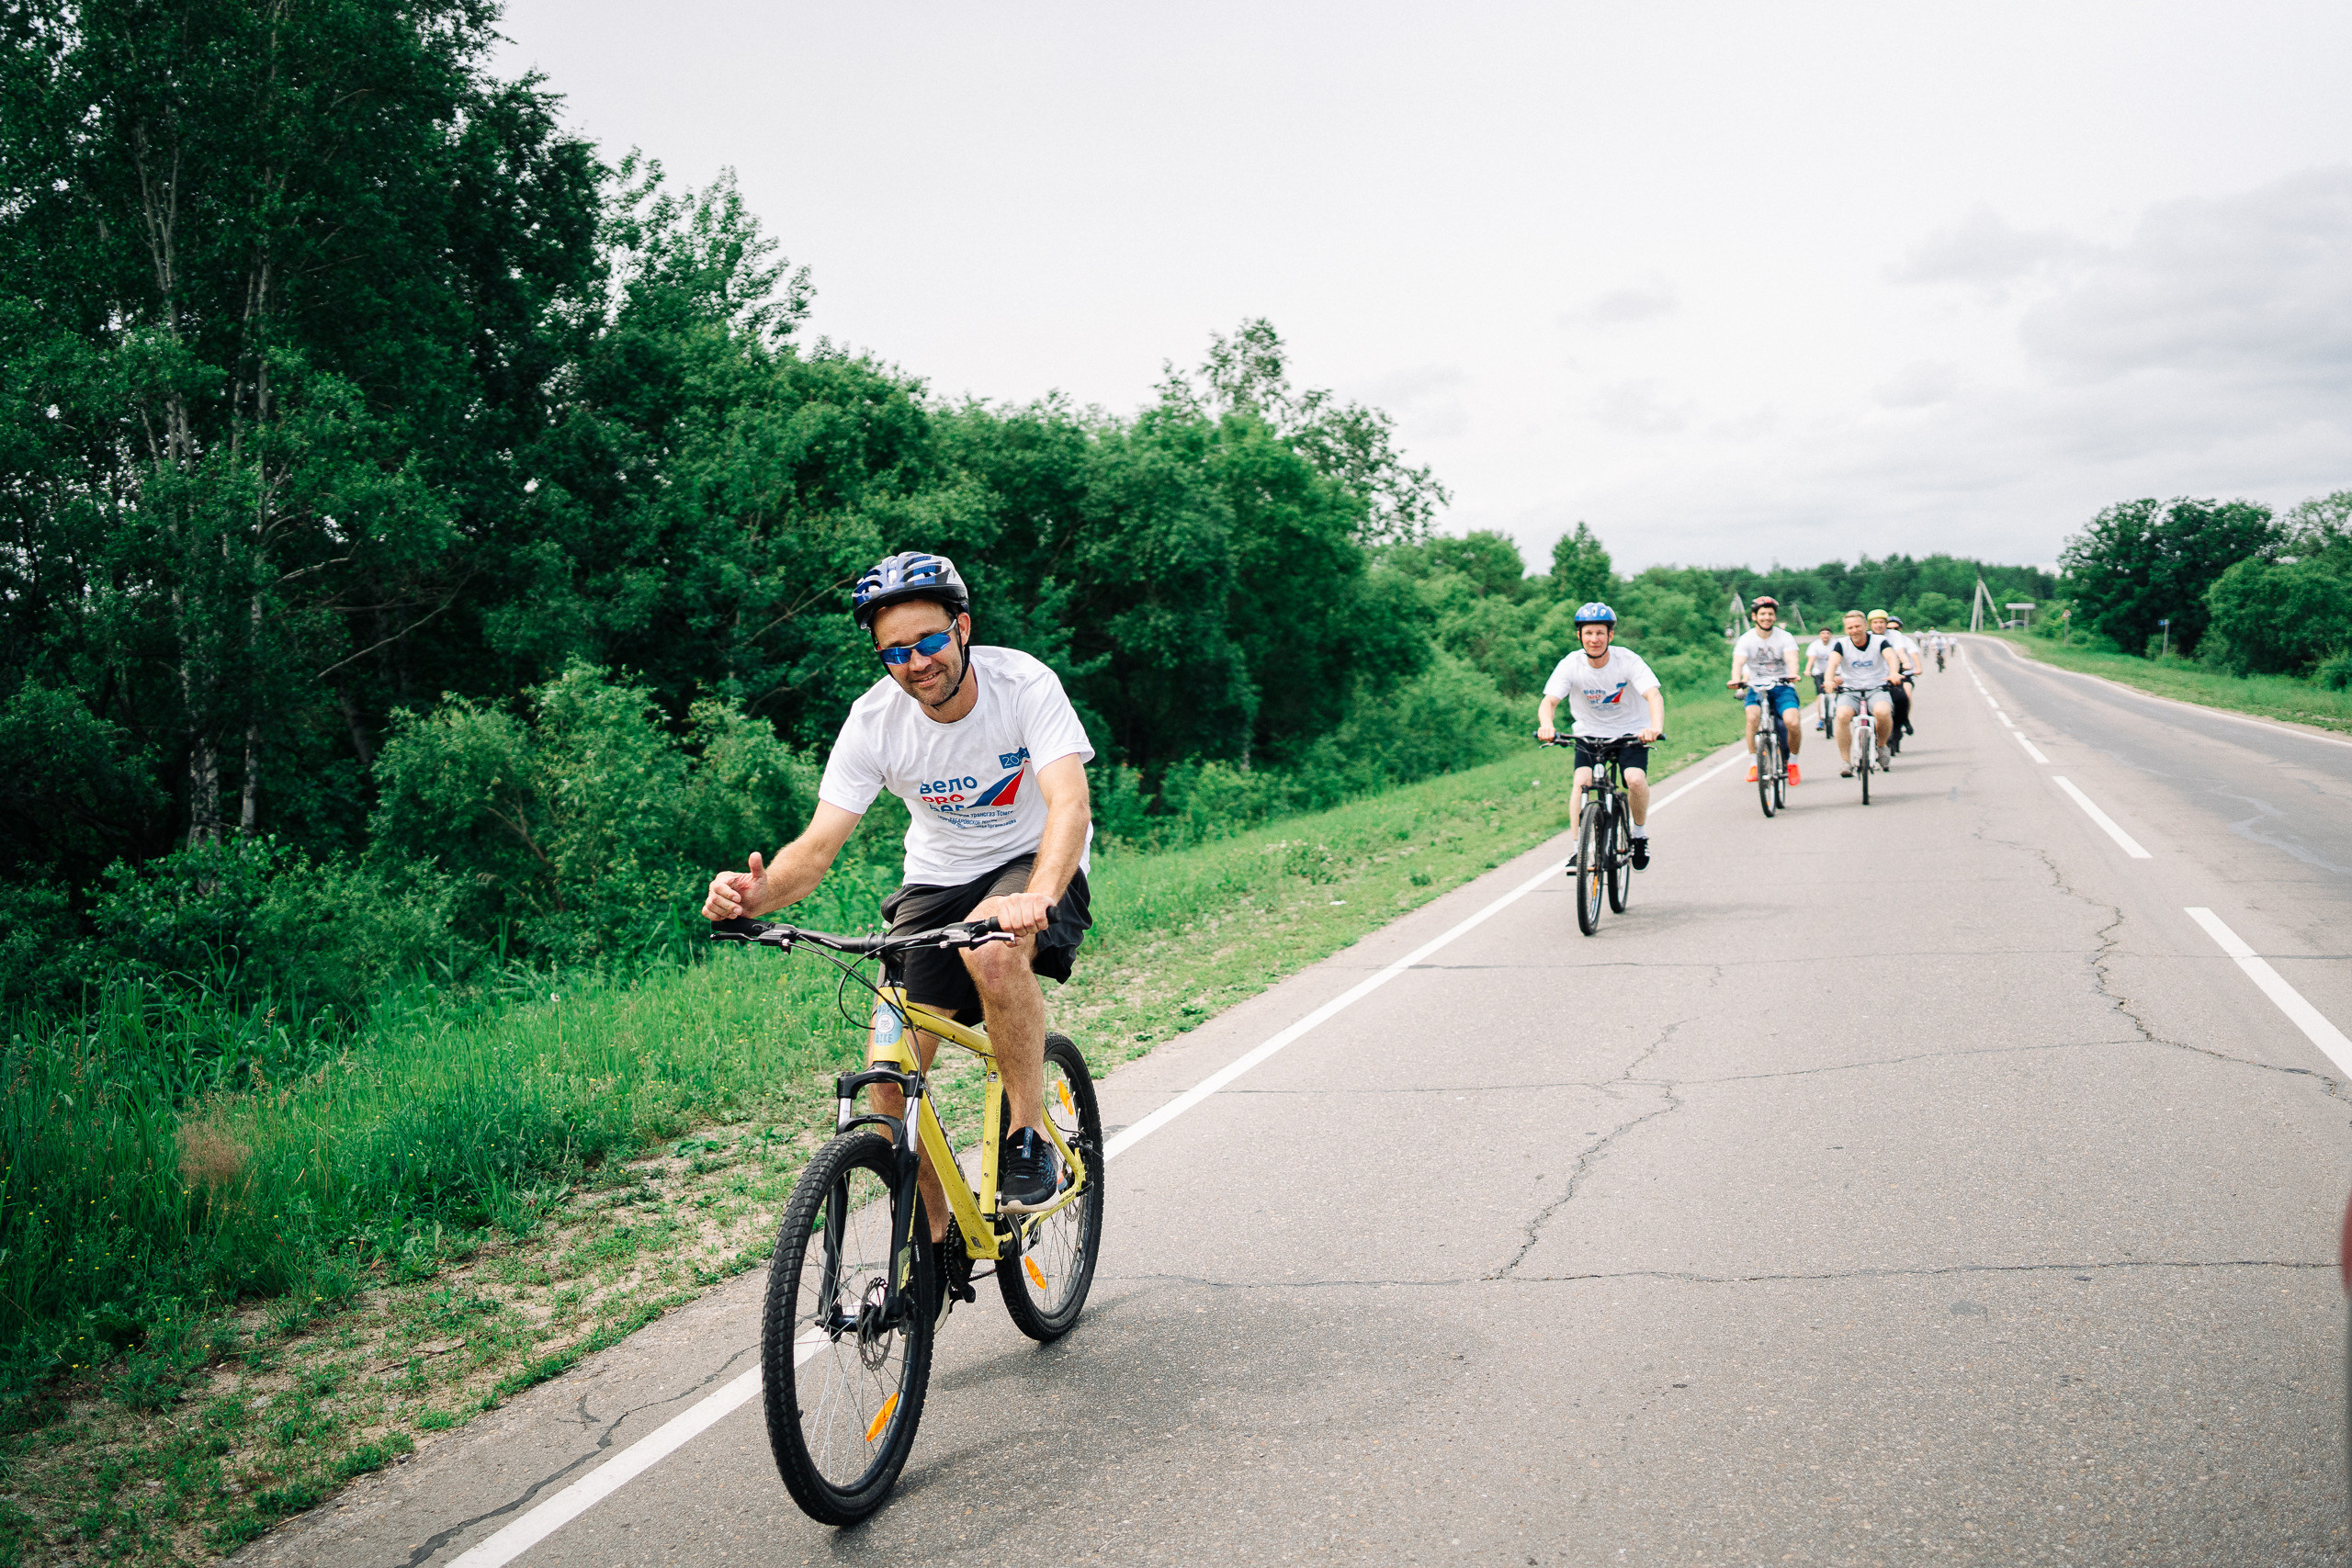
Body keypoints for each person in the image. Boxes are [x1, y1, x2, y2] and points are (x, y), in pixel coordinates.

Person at [701, 550, 1095, 1310]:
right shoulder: (874, 722)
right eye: (894, 652)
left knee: (993, 952)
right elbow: (815, 850)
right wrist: (751, 894)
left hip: (1032, 860)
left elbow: (1069, 805)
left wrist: (1036, 897)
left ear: (962, 628)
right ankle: (937, 1241)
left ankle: (1026, 1134)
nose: (915, 664)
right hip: (934, 880)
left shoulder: (1024, 685)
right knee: (886, 1080)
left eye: (927, 642)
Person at [1536, 603, 1666, 869]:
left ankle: (1639, 836)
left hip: (1631, 732)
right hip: (1589, 734)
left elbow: (1653, 695)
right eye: (1588, 633)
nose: (1594, 639)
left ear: (1610, 636)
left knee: (1635, 780)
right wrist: (1546, 726)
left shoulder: (1627, 660)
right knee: (1581, 780)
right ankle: (1578, 850)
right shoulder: (1570, 664)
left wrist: (1655, 727)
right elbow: (1549, 702)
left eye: (1600, 633)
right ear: (1579, 636)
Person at [1727, 595, 1803, 784]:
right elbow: (1738, 662)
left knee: (1792, 722)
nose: (1766, 617)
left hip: (1782, 686)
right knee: (1752, 717)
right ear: (1754, 617)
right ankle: (1754, 763)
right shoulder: (1746, 639)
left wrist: (1793, 673)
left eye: (1770, 614)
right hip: (1756, 686)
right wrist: (1736, 679)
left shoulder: (1785, 637)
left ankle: (1792, 763)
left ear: (1774, 617)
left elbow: (1792, 658)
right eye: (1762, 614)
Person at [1826, 609, 1898, 777]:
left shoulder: (1880, 641)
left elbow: (1891, 658)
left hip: (1876, 687)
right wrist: (1829, 679)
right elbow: (1832, 663)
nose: (1854, 630)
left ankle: (1881, 746)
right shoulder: (1841, 644)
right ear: (1845, 630)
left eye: (1858, 626)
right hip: (1850, 690)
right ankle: (1846, 761)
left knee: (1883, 711)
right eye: (1850, 628)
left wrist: (1894, 672)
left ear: (1866, 625)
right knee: (1842, 715)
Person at [1869, 610, 1920, 752]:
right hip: (1874, 676)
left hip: (1894, 673)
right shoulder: (1867, 637)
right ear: (1870, 625)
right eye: (1875, 622)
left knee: (1902, 698)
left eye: (1881, 622)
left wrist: (1906, 663)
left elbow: (1900, 651)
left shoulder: (1895, 636)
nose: (1879, 625)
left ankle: (1898, 725)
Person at [1804, 626, 1838, 734]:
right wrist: (1807, 670)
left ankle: (1836, 704)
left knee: (1837, 691)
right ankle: (1821, 719)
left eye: (1828, 633)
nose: (1825, 635)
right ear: (1820, 635)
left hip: (1834, 672)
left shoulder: (1835, 644)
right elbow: (1811, 659)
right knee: (1820, 696)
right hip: (1819, 672)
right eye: (1823, 633)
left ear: (1831, 635)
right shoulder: (1815, 645)